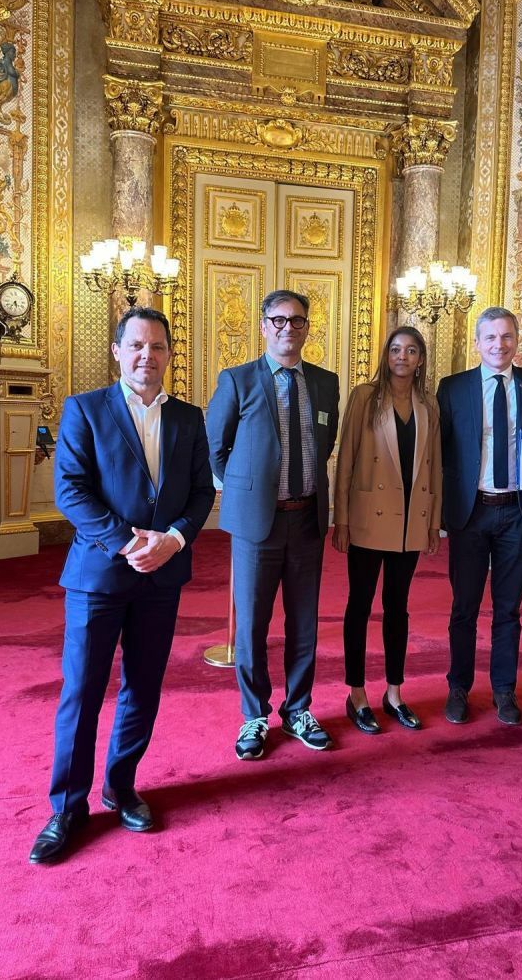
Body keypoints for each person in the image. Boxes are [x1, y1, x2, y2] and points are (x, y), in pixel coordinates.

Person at [30, 307, 215, 863]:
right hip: (100, 575)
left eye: (157, 346)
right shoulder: (85, 409)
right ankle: (67, 806)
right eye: (136, 345)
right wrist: (128, 541)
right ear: (118, 350)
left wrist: (174, 541)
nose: (147, 356)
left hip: (162, 577)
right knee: (82, 691)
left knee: (144, 687)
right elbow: (70, 489)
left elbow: (202, 492)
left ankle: (121, 784)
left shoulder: (188, 417)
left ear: (169, 354)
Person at [206, 289, 339, 760]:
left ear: (307, 328)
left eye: (297, 321)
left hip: (306, 521)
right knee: (253, 626)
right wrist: (244, 491)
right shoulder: (238, 380)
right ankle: (254, 715)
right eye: (278, 320)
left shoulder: (326, 383)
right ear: (263, 326)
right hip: (256, 527)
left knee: (305, 623)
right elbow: (215, 448)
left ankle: (299, 708)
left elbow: (324, 443)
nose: (288, 328)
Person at [437, 306, 522, 727]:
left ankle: (504, 691)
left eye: (506, 337)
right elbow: (441, 452)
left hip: (517, 514)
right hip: (470, 513)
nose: (499, 345)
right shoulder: (452, 388)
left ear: (516, 340)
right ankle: (458, 687)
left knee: (508, 609)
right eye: (490, 338)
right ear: (477, 343)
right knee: (463, 608)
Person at [332, 326, 442, 734]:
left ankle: (394, 693)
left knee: (398, 608)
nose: (402, 357)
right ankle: (357, 693)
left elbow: (434, 465)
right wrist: (340, 518)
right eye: (396, 349)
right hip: (366, 519)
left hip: (410, 523)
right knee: (359, 606)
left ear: (420, 359)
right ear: (386, 355)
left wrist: (433, 522)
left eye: (411, 350)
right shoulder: (365, 397)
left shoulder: (429, 403)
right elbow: (346, 459)